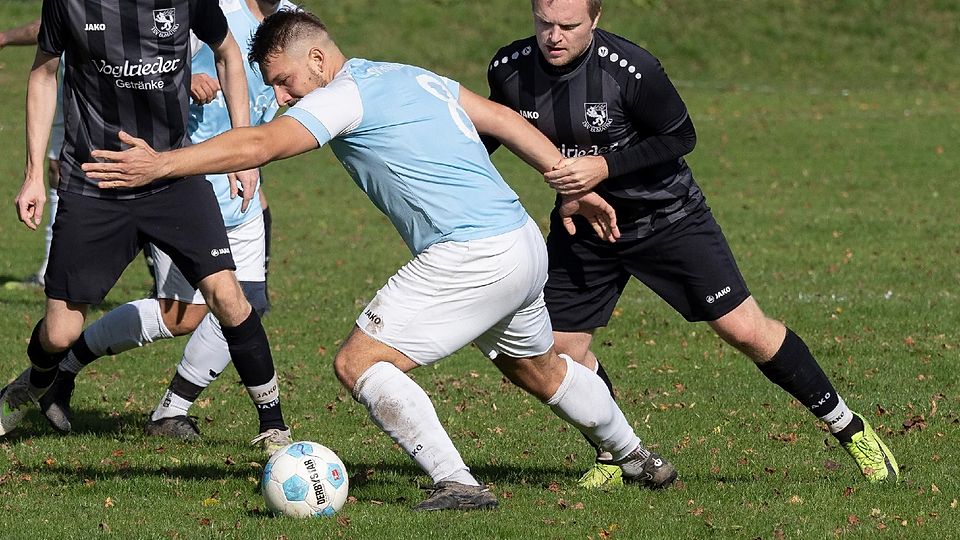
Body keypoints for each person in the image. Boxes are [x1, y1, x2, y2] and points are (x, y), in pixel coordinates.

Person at [83, 10, 678, 511]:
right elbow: (501, 119)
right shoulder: (411, 75)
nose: (283, 99)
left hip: (471, 253)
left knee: (357, 362)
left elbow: (264, 144)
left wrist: (162, 164)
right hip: (519, 241)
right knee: (538, 368)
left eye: (285, 83)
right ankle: (637, 457)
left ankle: (457, 481)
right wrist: (566, 183)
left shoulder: (346, 94)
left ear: (317, 60)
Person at [485, 0, 898, 488]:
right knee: (559, 350)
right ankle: (618, 454)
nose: (554, 36)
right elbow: (490, 138)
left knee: (746, 331)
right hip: (586, 226)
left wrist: (606, 166)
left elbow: (680, 136)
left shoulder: (631, 70)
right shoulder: (509, 68)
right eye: (544, 23)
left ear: (595, 20)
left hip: (668, 220)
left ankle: (850, 428)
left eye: (570, 26)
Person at [0, 0, 290, 453]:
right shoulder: (69, 3)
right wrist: (34, 173)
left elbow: (228, 52)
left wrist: (243, 150)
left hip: (170, 174)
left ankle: (275, 429)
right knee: (60, 333)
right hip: (94, 182)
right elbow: (42, 74)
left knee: (229, 298)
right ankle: (36, 384)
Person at [0, 19, 62, 290]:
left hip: (117, 92)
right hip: (71, 88)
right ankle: (51, 269)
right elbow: (50, 23)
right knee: (58, 170)